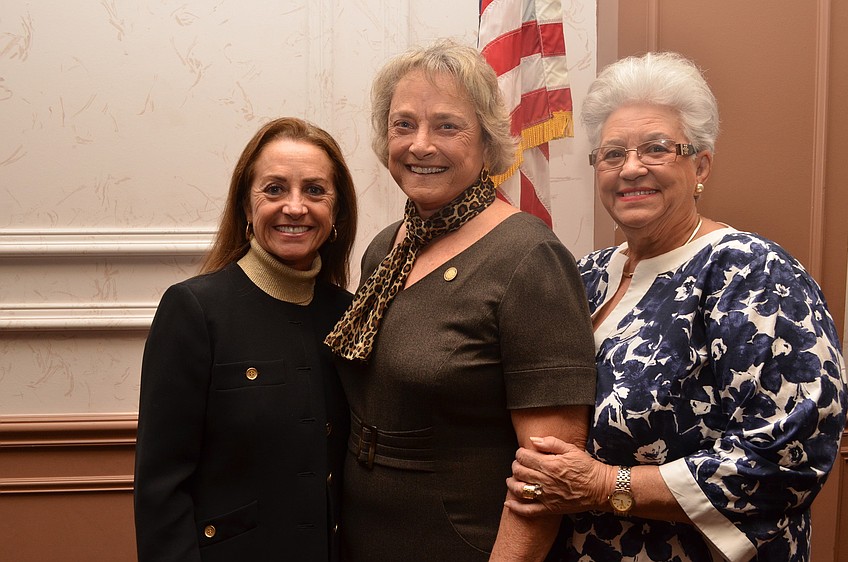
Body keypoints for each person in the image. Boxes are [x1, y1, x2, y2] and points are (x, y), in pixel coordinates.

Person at [505, 52, 848, 561]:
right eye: (613, 154)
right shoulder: (584, 275)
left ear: (701, 164)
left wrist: (605, 485)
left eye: (657, 149)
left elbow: (789, 456)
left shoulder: (754, 273)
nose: (632, 168)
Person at [322, 39, 598, 561]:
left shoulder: (529, 256)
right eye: (404, 124)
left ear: (488, 140)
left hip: (463, 543)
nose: (420, 145)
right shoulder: (386, 247)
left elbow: (548, 472)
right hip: (362, 534)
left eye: (447, 126)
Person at [134, 117, 358, 562]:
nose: (295, 207)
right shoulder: (194, 310)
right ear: (244, 205)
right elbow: (161, 488)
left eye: (315, 190)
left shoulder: (349, 315)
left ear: (337, 212)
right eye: (274, 189)